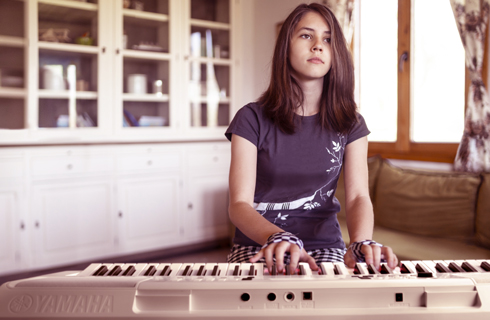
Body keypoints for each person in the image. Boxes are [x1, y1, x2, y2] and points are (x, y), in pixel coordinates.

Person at [225, 3, 398, 275]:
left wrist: (360, 241)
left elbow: (357, 197)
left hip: (324, 245)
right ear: (286, 46)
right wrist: (278, 237)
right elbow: (239, 205)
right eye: (306, 35)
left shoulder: (351, 123)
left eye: (327, 39)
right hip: (260, 244)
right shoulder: (251, 119)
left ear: (335, 52)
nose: (318, 45)